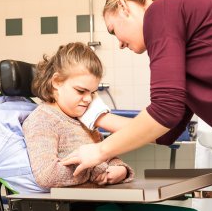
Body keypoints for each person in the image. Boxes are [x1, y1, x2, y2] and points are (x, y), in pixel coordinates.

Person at [61, 0, 212, 176]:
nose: (119, 43)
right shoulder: (175, 33)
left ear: (123, 7)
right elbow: (166, 131)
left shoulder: (160, 12)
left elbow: (165, 110)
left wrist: (100, 150)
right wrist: (97, 117)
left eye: (113, 31)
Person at [22, 42, 135, 190]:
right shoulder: (42, 120)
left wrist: (120, 170)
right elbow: (47, 175)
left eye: (93, 92)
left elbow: (105, 157)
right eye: (81, 91)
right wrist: (95, 170)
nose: (88, 99)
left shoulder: (83, 119)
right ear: (57, 82)